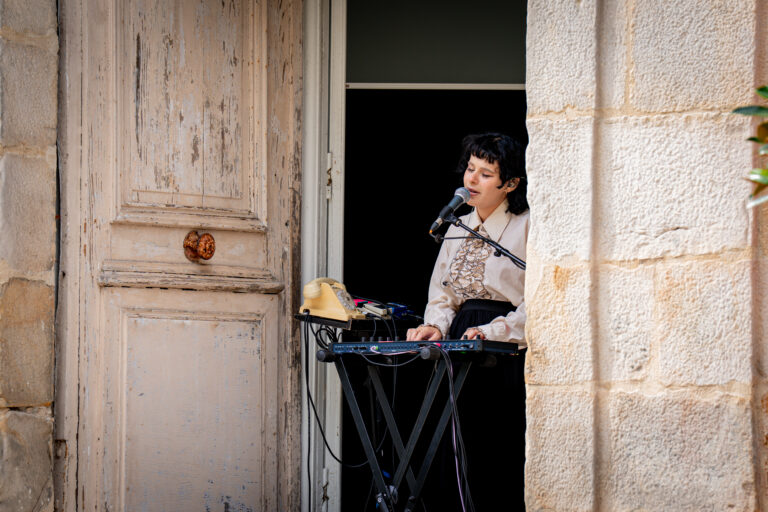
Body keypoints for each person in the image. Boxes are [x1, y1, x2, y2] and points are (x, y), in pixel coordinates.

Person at [406, 132, 528, 511]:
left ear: (511, 183)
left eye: (486, 174)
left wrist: (492, 332)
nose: (472, 179)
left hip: (502, 347)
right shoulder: (457, 226)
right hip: (459, 344)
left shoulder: (528, 226)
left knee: (495, 445)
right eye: (470, 169)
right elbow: (443, 295)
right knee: (455, 444)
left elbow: (539, 303)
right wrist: (436, 326)